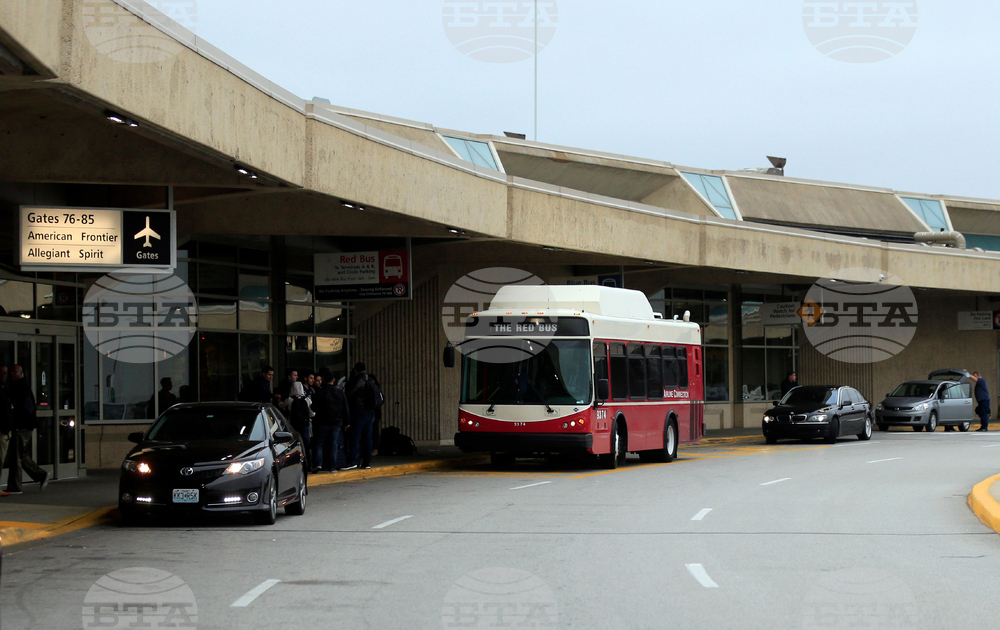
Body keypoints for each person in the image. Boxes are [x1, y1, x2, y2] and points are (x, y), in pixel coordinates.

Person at [4, 364, 48, 494]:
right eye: (11, 371)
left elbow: (26, 409)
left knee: (16, 455)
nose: (12, 374)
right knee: (20, 454)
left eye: (15, 371)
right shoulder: (19, 387)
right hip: (23, 425)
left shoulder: (21, 388)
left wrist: (18, 424)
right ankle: (40, 475)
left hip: (22, 426)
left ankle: (16, 486)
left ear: (20, 373)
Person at [312, 369, 350, 472]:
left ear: (323, 379)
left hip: (321, 422)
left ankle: (318, 463)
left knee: (319, 443)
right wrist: (347, 422)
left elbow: (313, 407)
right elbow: (345, 408)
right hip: (336, 422)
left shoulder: (319, 392)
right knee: (333, 444)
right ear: (334, 380)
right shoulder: (339, 392)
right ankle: (332, 466)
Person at [345, 362, 381, 470]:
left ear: (356, 370)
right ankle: (367, 462)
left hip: (359, 412)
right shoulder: (370, 381)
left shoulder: (359, 380)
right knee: (367, 437)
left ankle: (353, 460)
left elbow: (350, 393)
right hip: (370, 412)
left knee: (355, 437)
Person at [280, 381, 314, 470]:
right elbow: (311, 413)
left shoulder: (289, 400)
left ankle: (294, 464)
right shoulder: (307, 400)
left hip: (293, 425)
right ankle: (309, 465)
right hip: (305, 425)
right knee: (306, 445)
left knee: (294, 445)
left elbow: (281, 405)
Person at [0, 366, 12, 497]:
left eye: (5, 373)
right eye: (2, 373)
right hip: (2, 430)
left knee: (1, 459)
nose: (4, 375)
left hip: (6, 430)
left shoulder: (4, 389)